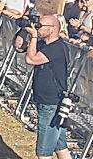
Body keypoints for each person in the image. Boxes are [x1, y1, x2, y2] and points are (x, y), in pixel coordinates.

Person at [24, 14, 71, 159]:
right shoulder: (44, 45)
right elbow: (19, 46)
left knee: (44, 152)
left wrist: (33, 36)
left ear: (52, 29)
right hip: (48, 101)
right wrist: (23, 29)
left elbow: (31, 59)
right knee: (61, 147)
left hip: (50, 103)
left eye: (41, 26)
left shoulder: (57, 48)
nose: (38, 28)